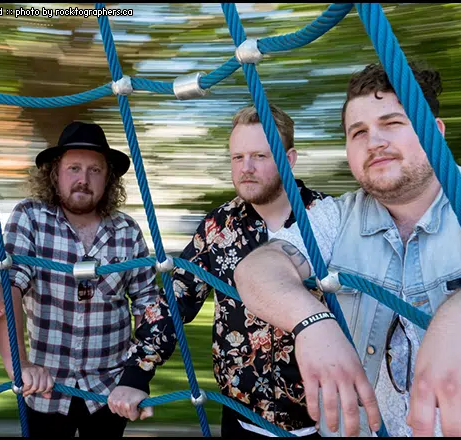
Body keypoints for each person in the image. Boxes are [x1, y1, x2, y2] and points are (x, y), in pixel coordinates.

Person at [233, 63, 461, 437]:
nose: (374, 142)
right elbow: (258, 269)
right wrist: (310, 322)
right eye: (358, 132)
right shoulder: (334, 217)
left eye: (392, 123)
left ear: (436, 132)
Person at [0, 121, 177, 438]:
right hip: (45, 386)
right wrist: (19, 365)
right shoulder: (30, 217)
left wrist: (137, 378)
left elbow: (148, 307)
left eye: (95, 170)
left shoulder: (127, 231)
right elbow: (10, 287)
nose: (84, 179)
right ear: (55, 173)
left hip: (110, 388)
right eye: (74, 168)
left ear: (108, 178)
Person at [137, 103, 330, 437]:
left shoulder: (328, 218)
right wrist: (138, 372)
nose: (246, 168)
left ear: (289, 159)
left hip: (326, 421)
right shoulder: (218, 226)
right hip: (240, 420)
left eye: (260, 156)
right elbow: (177, 297)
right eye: (237, 157)